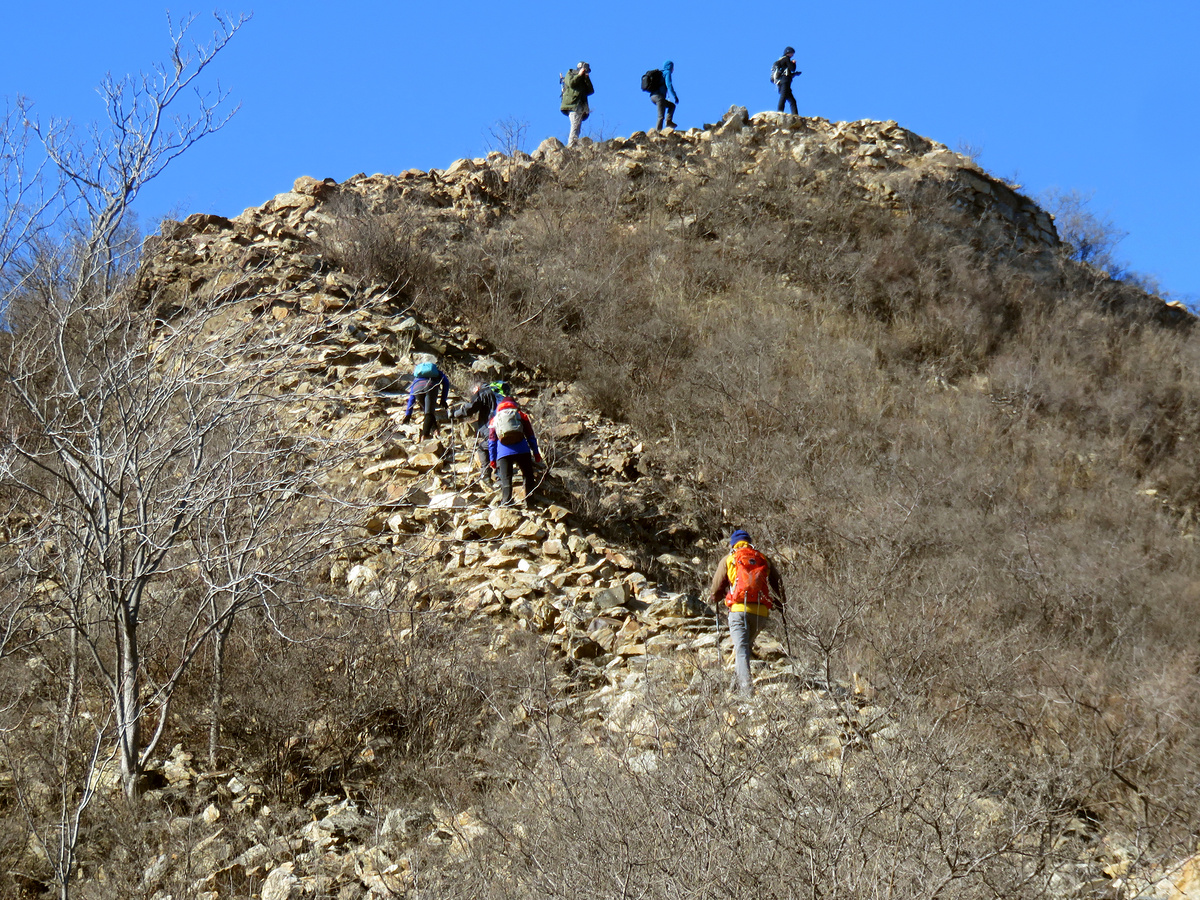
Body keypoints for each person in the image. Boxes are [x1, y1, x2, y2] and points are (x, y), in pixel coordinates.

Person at [708, 529, 787, 696]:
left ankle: (747, 692)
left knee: (741, 649)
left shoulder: (729, 558)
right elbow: (778, 584)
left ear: (732, 544)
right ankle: (733, 688)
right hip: (761, 613)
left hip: (738, 611)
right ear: (749, 541)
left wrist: (716, 597)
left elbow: (716, 588)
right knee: (744, 647)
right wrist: (782, 605)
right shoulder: (762, 558)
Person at [451, 379, 509, 485]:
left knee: (484, 448)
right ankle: (500, 478)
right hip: (507, 427)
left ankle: (488, 477)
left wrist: (455, 413)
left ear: (477, 388)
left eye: (473, 392)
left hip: (492, 428)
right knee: (499, 447)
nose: (473, 394)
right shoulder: (501, 395)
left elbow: (471, 408)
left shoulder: (483, 392)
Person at [487, 397, 543, 506]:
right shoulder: (521, 415)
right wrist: (536, 452)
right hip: (522, 450)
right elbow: (530, 436)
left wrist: (492, 459)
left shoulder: (495, 419)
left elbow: (492, 441)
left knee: (506, 478)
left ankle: (506, 502)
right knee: (528, 476)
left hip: (503, 452)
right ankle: (530, 502)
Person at [403, 360, 450, 440]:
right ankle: (425, 436)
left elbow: (412, 396)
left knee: (427, 411)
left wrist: (408, 414)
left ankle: (435, 430)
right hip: (430, 386)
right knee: (429, 413)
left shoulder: (417, 378)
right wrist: (443, 399)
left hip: (417, 389)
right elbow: (446, 383)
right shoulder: (438, 373)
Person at [559, 61, 594, 147]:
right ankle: (571, 145)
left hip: (580, 106)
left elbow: (590, 90)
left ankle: (574, 144)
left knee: (577, 125)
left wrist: (586, 78)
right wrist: (579, 75)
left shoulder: (583, 79)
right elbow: (571, 83)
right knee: (575, 124)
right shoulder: (570, 74)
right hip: (572, 105)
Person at [648, 61, 679, 130]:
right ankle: (658, 132)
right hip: (659, 97)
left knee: (672, 106)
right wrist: (675, 96)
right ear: (670, 67)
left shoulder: (661, 73)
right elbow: (669, 85)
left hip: (653, 96)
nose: (673, 69)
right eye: (672, 67)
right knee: (661, 116)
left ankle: (668, 121)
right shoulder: (667, 73)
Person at [772, 47, 800, 115]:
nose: (792, 55)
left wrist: (795, 74)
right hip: (785, 81)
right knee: (784, 96)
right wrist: (793, 63)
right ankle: (779, 112)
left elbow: (788, 72)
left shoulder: (781, 60)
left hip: (781, 82)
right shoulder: (786, 59)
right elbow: (792, 68)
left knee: (792, 100)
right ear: (788, 52)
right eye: (792, 53)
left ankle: (795, 115)